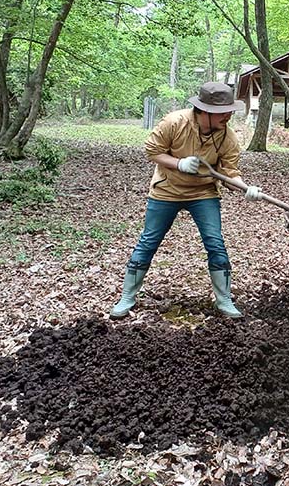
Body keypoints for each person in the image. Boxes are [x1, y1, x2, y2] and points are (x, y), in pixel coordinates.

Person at [111, 82, 261, 320]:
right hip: (166, 190)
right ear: (204, 112)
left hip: (203, 193)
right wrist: (178, 163)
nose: (229, 116)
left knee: (215, 242)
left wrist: (245, 188)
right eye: (223, 112)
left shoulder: (227, 137)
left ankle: (223, 300)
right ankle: (127, 296)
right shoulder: (174, 123)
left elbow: (230, 173)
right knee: (149, 241)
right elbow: (152, 150)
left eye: (230, 111)